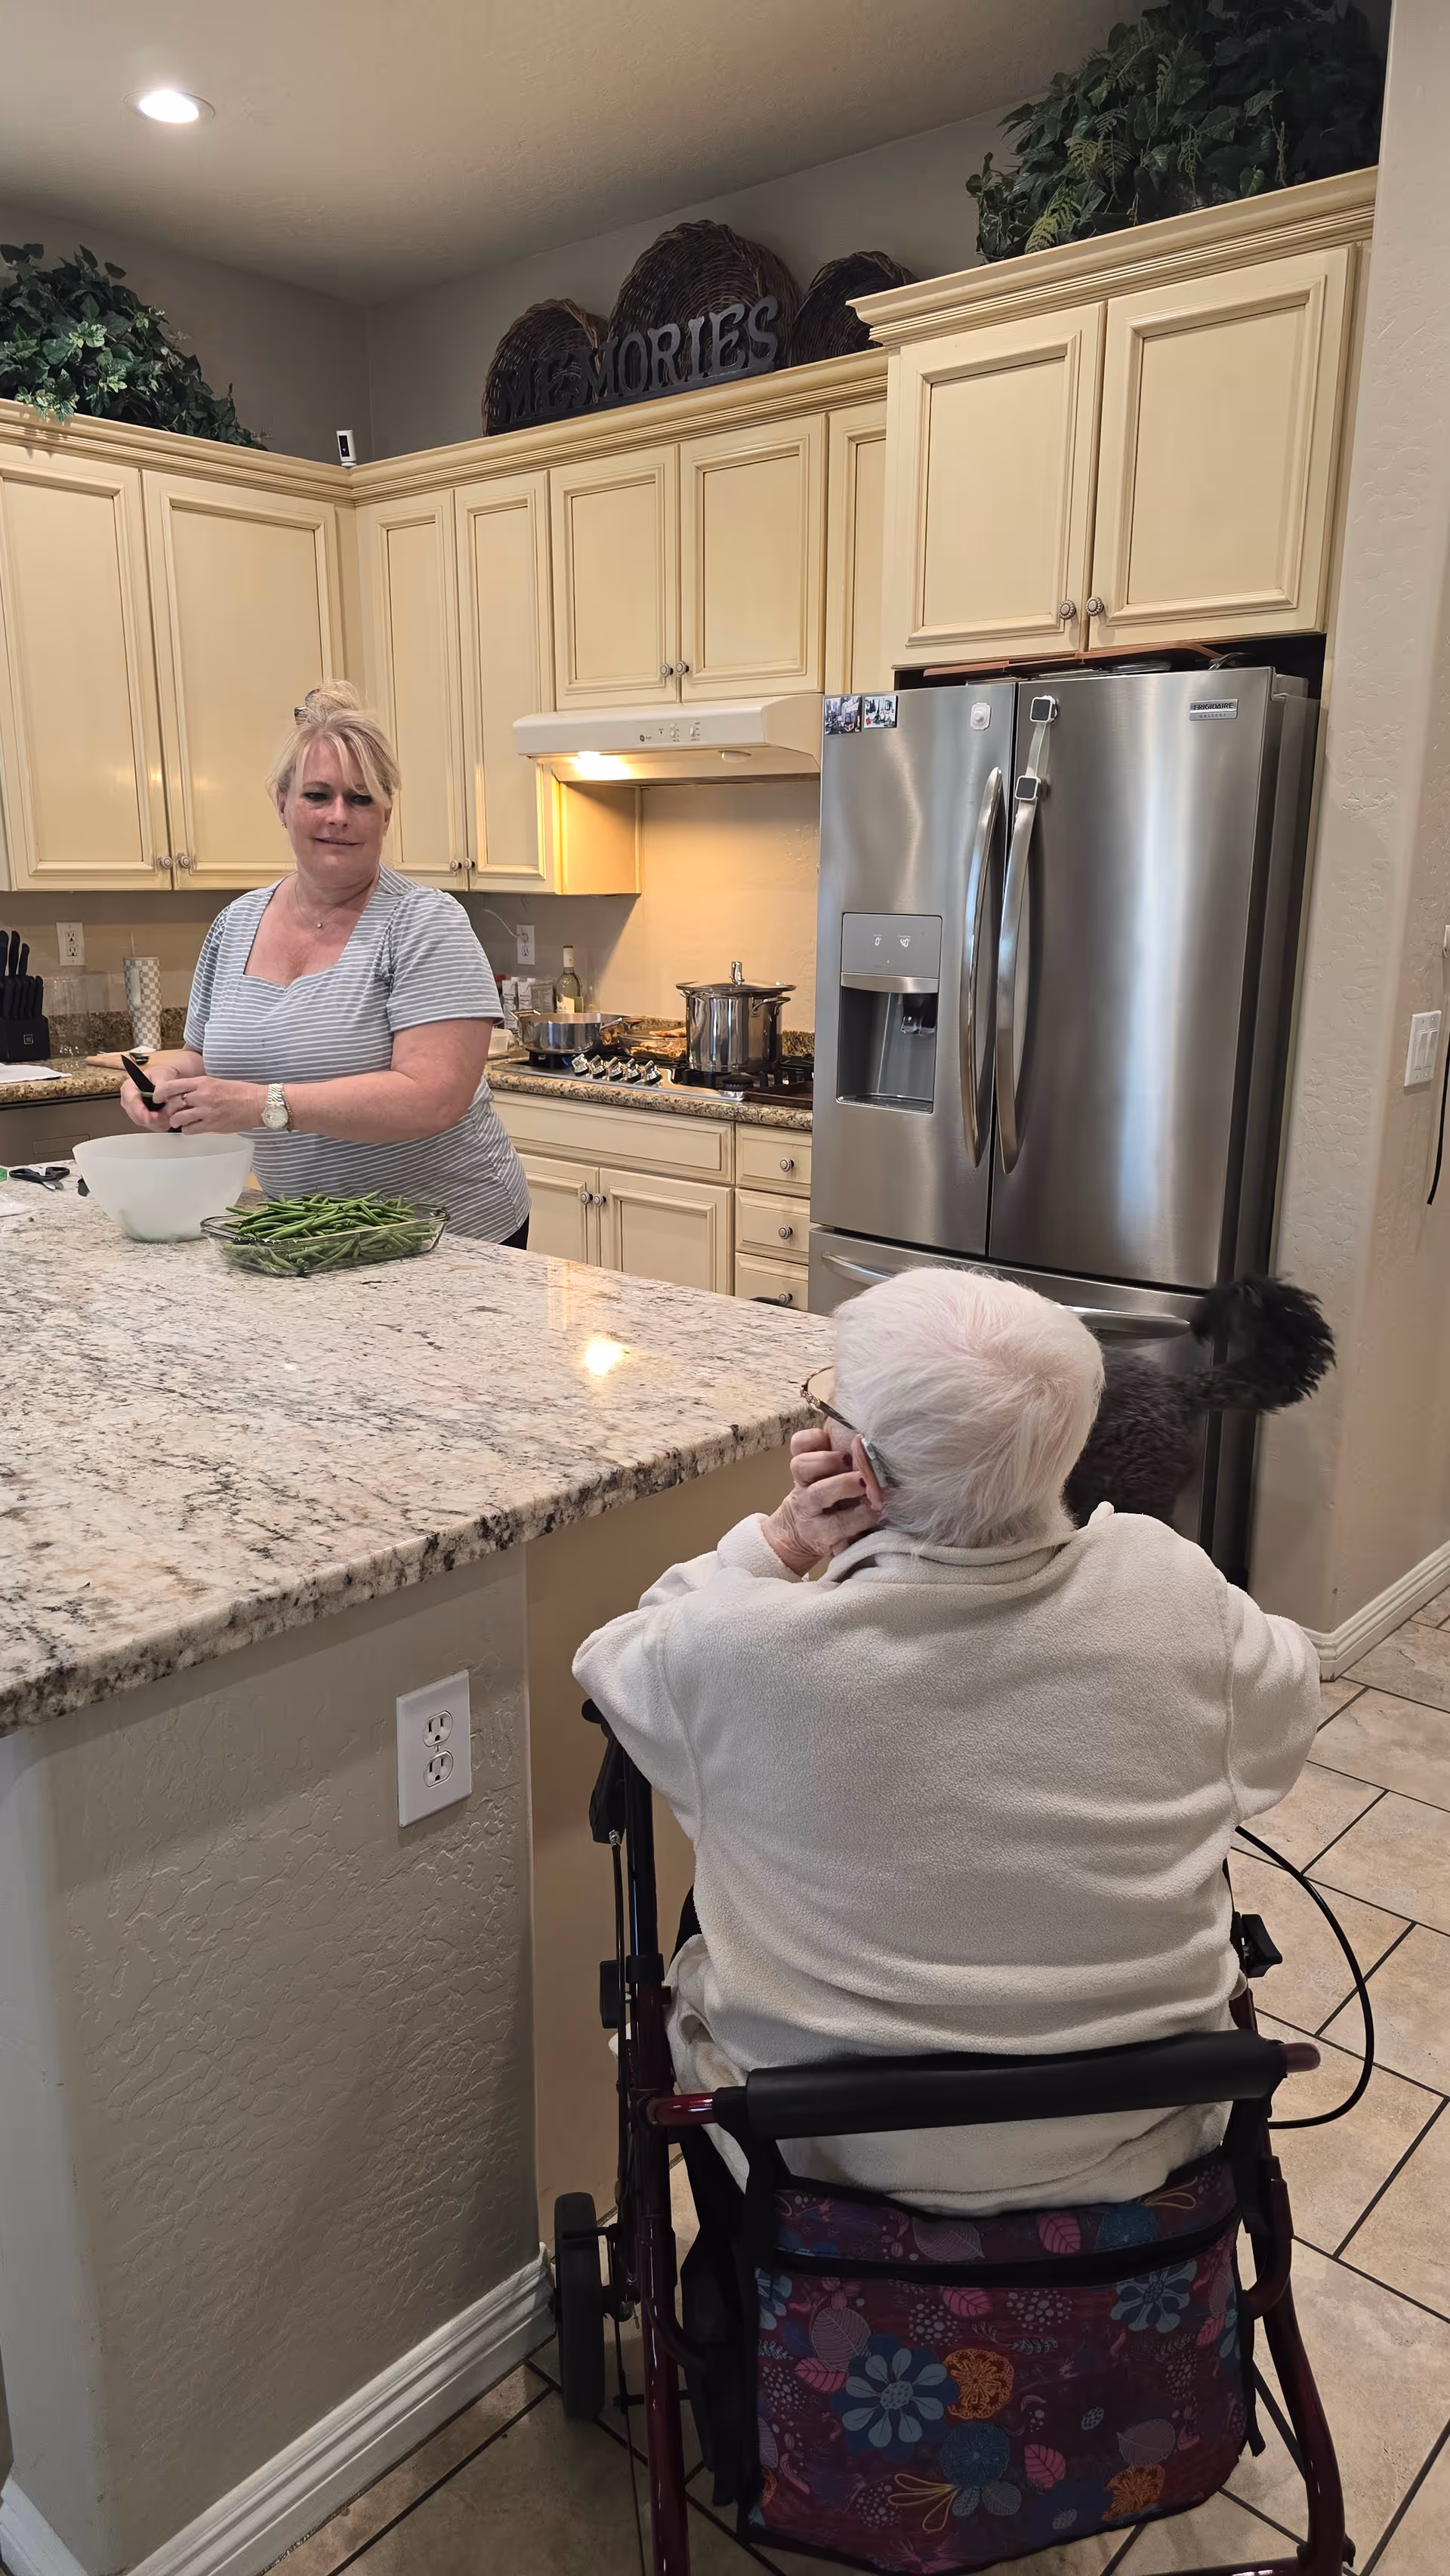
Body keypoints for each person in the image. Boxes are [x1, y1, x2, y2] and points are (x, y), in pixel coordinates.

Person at [574, 1265, 1320, 2214]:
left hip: (827, 2163)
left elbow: (616, 1658)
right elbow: (1285, 1709)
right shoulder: (1174, 1588)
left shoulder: (740, 1645)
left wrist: (784, 1539)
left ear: (864, 1471)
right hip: (1145, 2138)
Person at [119, 683, 530, 1246]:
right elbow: (203, 1056)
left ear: (386, 816)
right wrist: (163, 1079)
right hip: (313, 1235)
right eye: (318, 795)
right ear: (282, 803)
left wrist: (261, 1104)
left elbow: (433, 1096)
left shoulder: (425, 924)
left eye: (361, 799)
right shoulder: (235, 924)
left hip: (446, 1237)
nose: (339, 816)